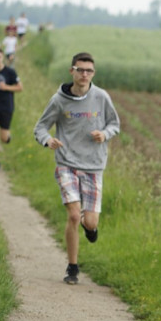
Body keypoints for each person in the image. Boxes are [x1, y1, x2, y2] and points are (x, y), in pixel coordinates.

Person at [33, 52, 120, 285]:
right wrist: (47, 140)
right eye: (80, 70)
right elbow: (40, 127)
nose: (84, 74)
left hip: (93, 165)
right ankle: (72, 267)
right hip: (67, 163)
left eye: (88, 71)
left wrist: (105, 133)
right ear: (72, 71)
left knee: (90, 222)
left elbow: (115, 124)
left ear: (94, 73)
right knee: (73, 214)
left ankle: (88, 226)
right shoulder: (59, 100)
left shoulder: (101, 97)